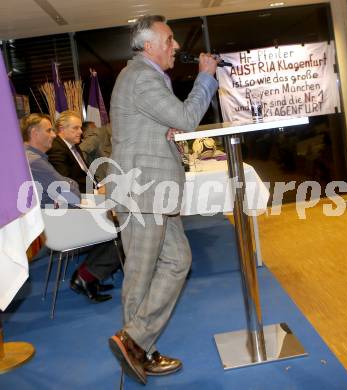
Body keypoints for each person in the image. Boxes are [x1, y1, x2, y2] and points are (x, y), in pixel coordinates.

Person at [107, 15, 218, 384]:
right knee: (140, 274)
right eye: (169, 40)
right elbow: (187, 118)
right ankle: (137, 348)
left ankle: (135, 341)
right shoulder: (141, 76)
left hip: (153, 191)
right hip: (143, 192)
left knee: (177, 260)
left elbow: (161, 123)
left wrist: (163, 130)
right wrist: (205, 76)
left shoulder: (145, 78)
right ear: (149, 45)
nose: (176, 47)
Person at [21, 113, 121, 302]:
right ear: (34, 133)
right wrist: (70, 186)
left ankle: (89, 276)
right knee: (123, 231)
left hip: (59, 220)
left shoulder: (31, 158)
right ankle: (85, 277)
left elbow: (66, 186)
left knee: (114, 226)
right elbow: (71, 192)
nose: (53, 135)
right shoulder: (35, 162)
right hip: (63, 225)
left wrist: (69, 186)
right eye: (49, 130)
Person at [47, 110, 99, 193]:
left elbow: (86, 172)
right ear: (62, 129)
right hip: (79, 197)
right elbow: (65, 182)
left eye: (80, 128)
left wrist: (99, 186)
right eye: (75, 128)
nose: (81, 132)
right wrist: (95, 192)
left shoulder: (74, 146)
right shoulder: (56, 149)